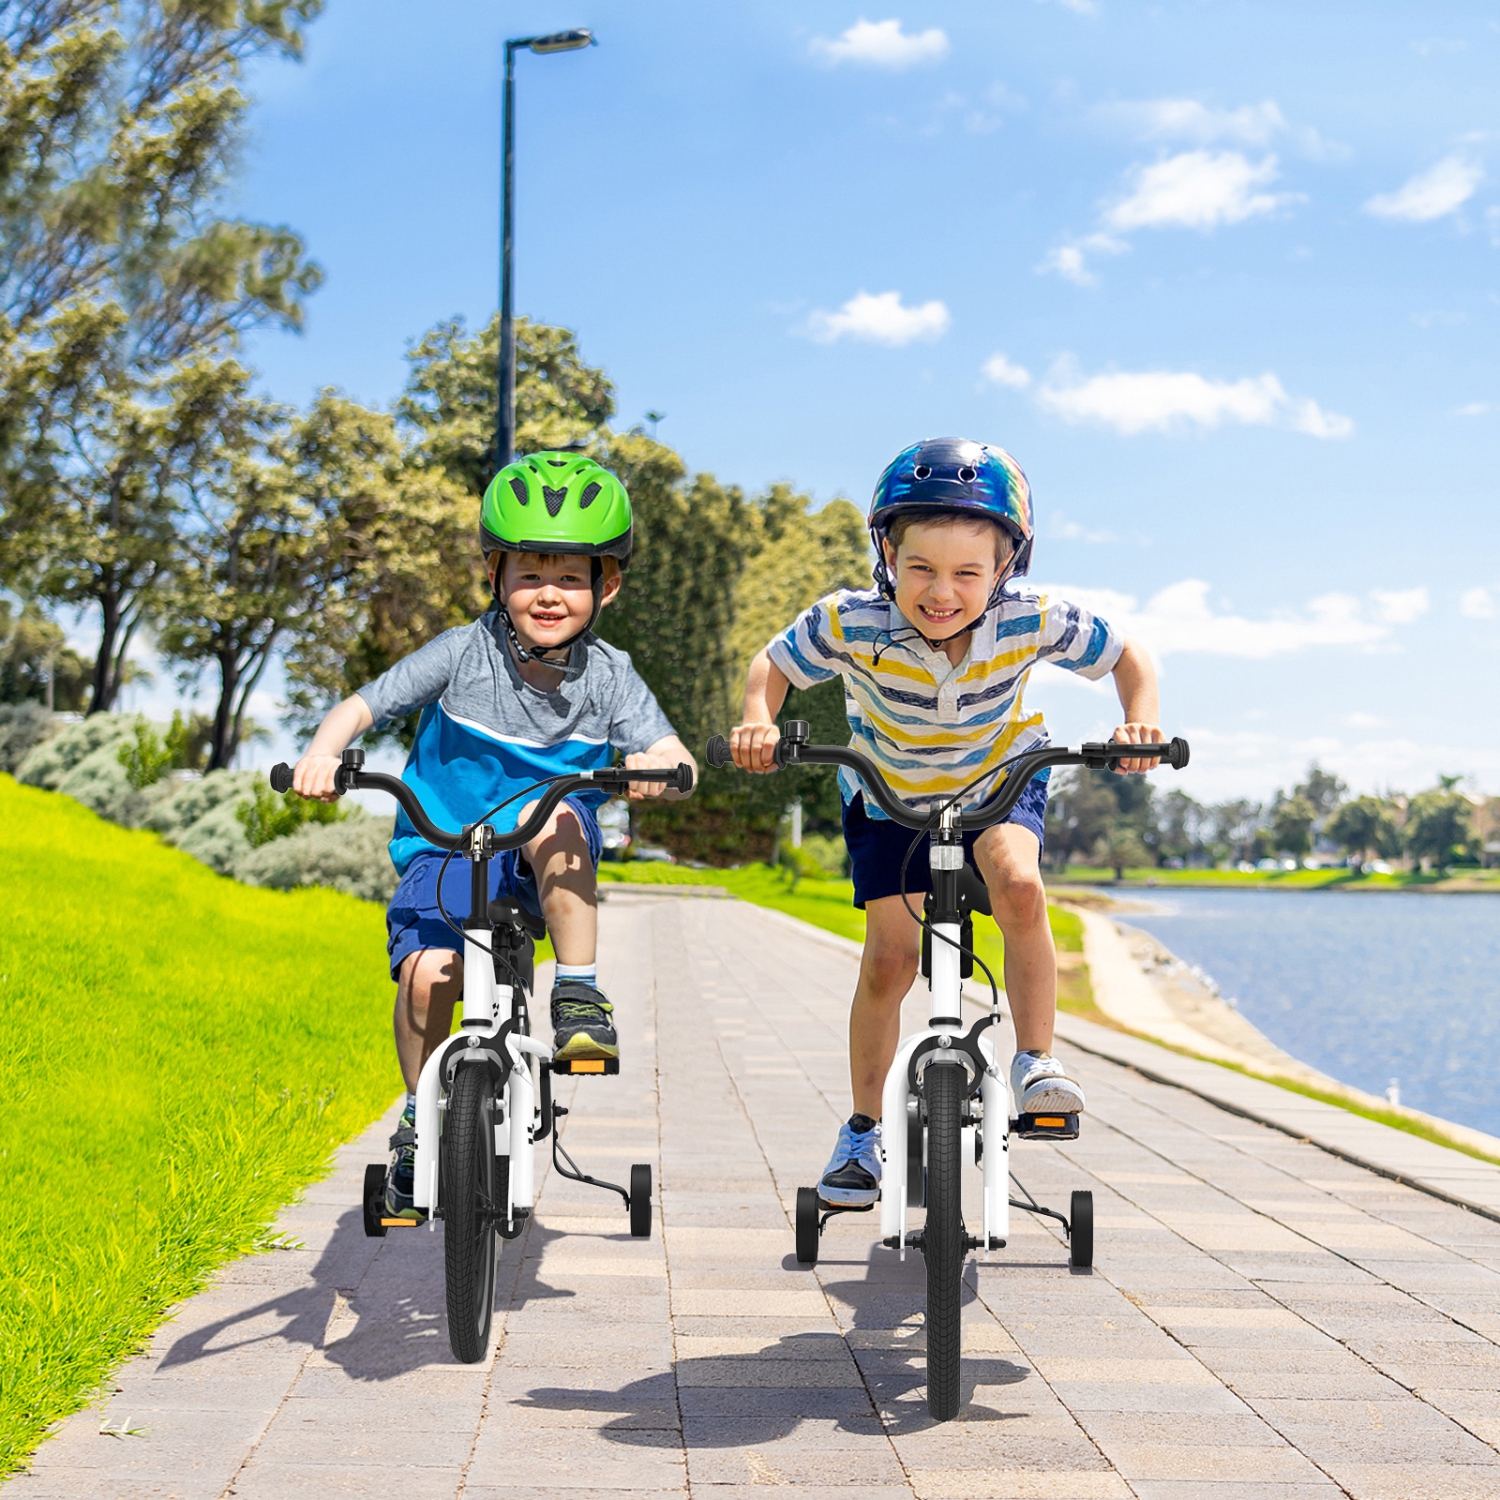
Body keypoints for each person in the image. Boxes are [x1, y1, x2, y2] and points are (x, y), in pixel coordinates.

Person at [730, 437, 1161, 1207]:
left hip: (999, 781)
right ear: (886, 555)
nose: (941, 591)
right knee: (890, 960)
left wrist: (1140, 723)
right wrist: (759, 720)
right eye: (920, 568)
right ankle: (862, 1130)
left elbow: (1130, 659)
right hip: (889, 793)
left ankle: (1035, 1063)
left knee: (1021, 887)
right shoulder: (851, 620)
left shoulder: (1032, 618)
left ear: (1005, 570)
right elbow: (774, 666)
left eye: (968, 573)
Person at [292, 451, 694, 1218]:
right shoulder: (461, 651)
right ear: (495, 576)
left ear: (607, 586)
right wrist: (323, 750)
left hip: (540, 858)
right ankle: (419, 1114)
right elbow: (363, 705)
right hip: (444, 848)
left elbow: (671, 752)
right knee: (427, 978)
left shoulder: (611, 675)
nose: (550, 593)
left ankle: (577, 994)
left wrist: (659, 764)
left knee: (559, 823)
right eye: (530, 574)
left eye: (572, 577)